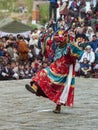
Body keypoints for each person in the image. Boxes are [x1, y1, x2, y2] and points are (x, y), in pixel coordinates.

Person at [25, 30, 83, 113]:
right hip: (55, 66)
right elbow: (49, 44)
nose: (58, 43)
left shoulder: (70, 46)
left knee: (62, 88)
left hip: (64, 71)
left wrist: (73, 43)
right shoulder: (57, 46)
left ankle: (58, 107)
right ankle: (35, 88)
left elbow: (78, 54)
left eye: (60, 41)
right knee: (43, 73)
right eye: (57, 41)